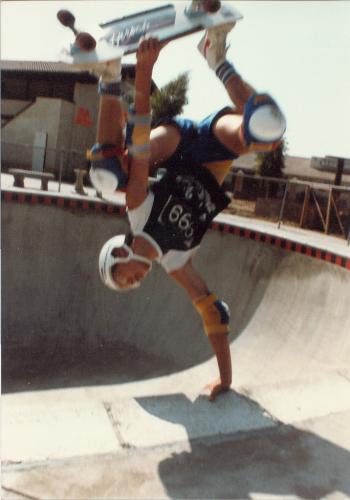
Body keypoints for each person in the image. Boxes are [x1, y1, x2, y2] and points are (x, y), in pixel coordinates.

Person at [87, 33, 286, 401]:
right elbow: (213, 312)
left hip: (174, 145)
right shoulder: (176, 263)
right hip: (212, 155)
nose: (134, 282)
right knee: (266, 131)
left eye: (124, 278)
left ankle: (109, 79)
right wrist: (225, 380)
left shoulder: (137, 210)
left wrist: (144, 71)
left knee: (109, 173)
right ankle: (216, 58)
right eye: (130, 286)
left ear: (118, 253)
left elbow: (144, 140)